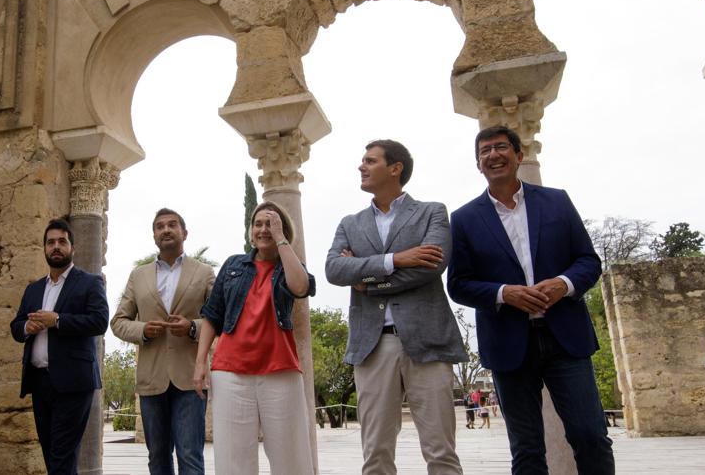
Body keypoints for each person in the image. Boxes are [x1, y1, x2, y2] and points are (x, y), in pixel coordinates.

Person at [447, 125, 615, 475]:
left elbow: (588, 261)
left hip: (565, 338)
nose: (493, 155)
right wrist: (503, 293)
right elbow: (459, 285)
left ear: (519, 155)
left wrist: (564, 284)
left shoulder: (557, 201)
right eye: (484, 151)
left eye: (500, 147)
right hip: (508, 345)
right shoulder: (463, 219)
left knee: (591, 436)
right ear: (478, 164)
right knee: (526, 449)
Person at [324, 139, 467, 475]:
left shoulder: (432, 212)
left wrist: (368, 282)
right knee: (375, 453)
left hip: (429, 341)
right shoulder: (349, 223)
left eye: (370, 160)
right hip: (372, 346)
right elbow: (335, 269)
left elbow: (431, 266)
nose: (361, 166)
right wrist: (396, 259)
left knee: (441, 451)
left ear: (395, 168)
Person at [192, 202, 315, 475]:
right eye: (258, 224)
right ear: (250, 231)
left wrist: (282, 240)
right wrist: (201, 362)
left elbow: (301, 286)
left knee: (291, 458)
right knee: (233, 460)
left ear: (283, 229)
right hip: (230, 372)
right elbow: (212, 315)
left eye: (271, 224)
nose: (263, 229)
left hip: (280, 370)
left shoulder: (289, 266)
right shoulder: (233, 265)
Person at [110, 208, 215, 475]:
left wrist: (192, 327)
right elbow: (118, 322)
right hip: (151, 379)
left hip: (191, 379)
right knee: (157, 458)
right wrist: (144, 330)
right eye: (159, 226)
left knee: (190, 456)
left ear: (184, 233)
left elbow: (220, 319)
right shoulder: (138, 275)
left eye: (172, 225)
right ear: (154, 236)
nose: (166, 229)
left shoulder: (204, 273)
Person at [11, 218, 110, 475]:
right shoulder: (34, 289)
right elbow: (16, 326)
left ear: (72, 248)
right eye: (51, 242)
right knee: (51, 454)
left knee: (61, 456)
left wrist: (57, 320)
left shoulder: (89, 282)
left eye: (62, 242)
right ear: (44, 248)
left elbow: (99, 322)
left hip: (74, 382)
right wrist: (27, 327)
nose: (56, 246)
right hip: (40, 382)